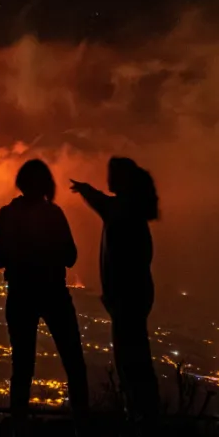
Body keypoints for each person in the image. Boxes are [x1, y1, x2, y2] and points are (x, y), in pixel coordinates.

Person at [0, 158, 90, 430]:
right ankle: (82, 425)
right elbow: (71, 256)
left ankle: (18, 428)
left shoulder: (7, 214)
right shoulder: (54, 214)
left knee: (22, 365)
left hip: (21, 295)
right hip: (54, 293)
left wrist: (21, 257)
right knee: (73, 361)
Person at [71, 157, 160, 421]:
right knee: (137, 358)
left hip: (126, 298)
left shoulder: (122, 210)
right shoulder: (130, 209)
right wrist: (87, 190)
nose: (107, 178)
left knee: (130, 362)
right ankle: (146, 417)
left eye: (111, 173)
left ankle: (142, 419)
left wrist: (86, 190)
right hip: (133, 296)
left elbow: (103, 205)